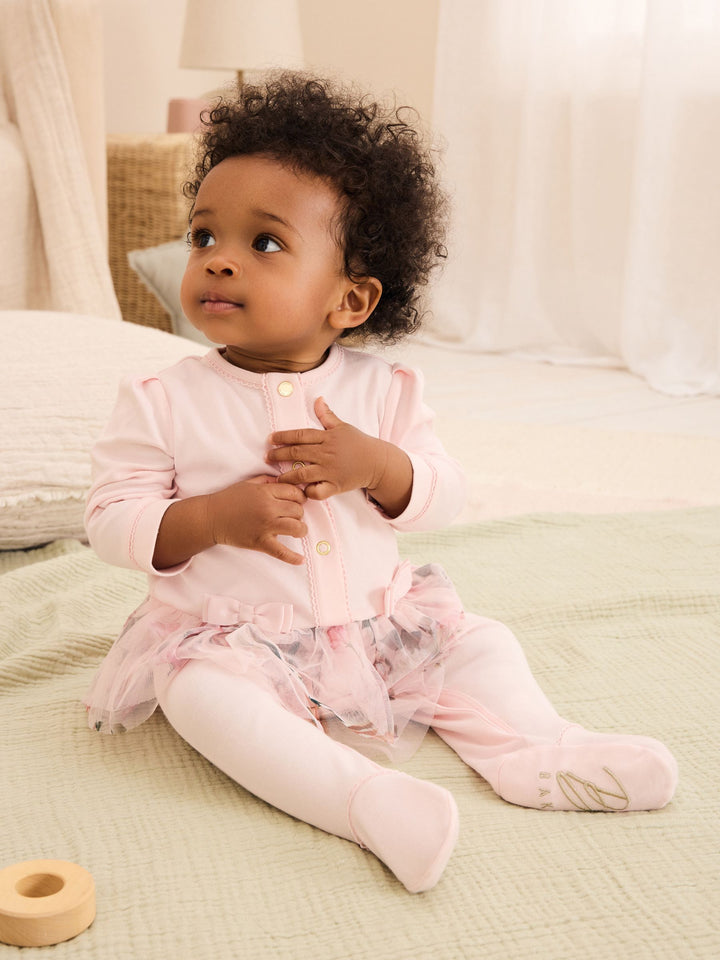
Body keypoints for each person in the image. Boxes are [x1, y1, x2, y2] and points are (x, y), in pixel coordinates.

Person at [84, 73, 677, 894]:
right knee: (201, 701)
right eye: (203, 235)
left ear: (352, 299)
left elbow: (446, 493)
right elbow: (110, 519)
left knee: (481, 645)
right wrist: (211, 518)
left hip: (379, 625)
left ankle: (540, 750)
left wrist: (381, 468)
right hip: (234, 638)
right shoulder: (162, 397)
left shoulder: (386, 392)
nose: (217, 258)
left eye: (264, 244)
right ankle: (362, 800)